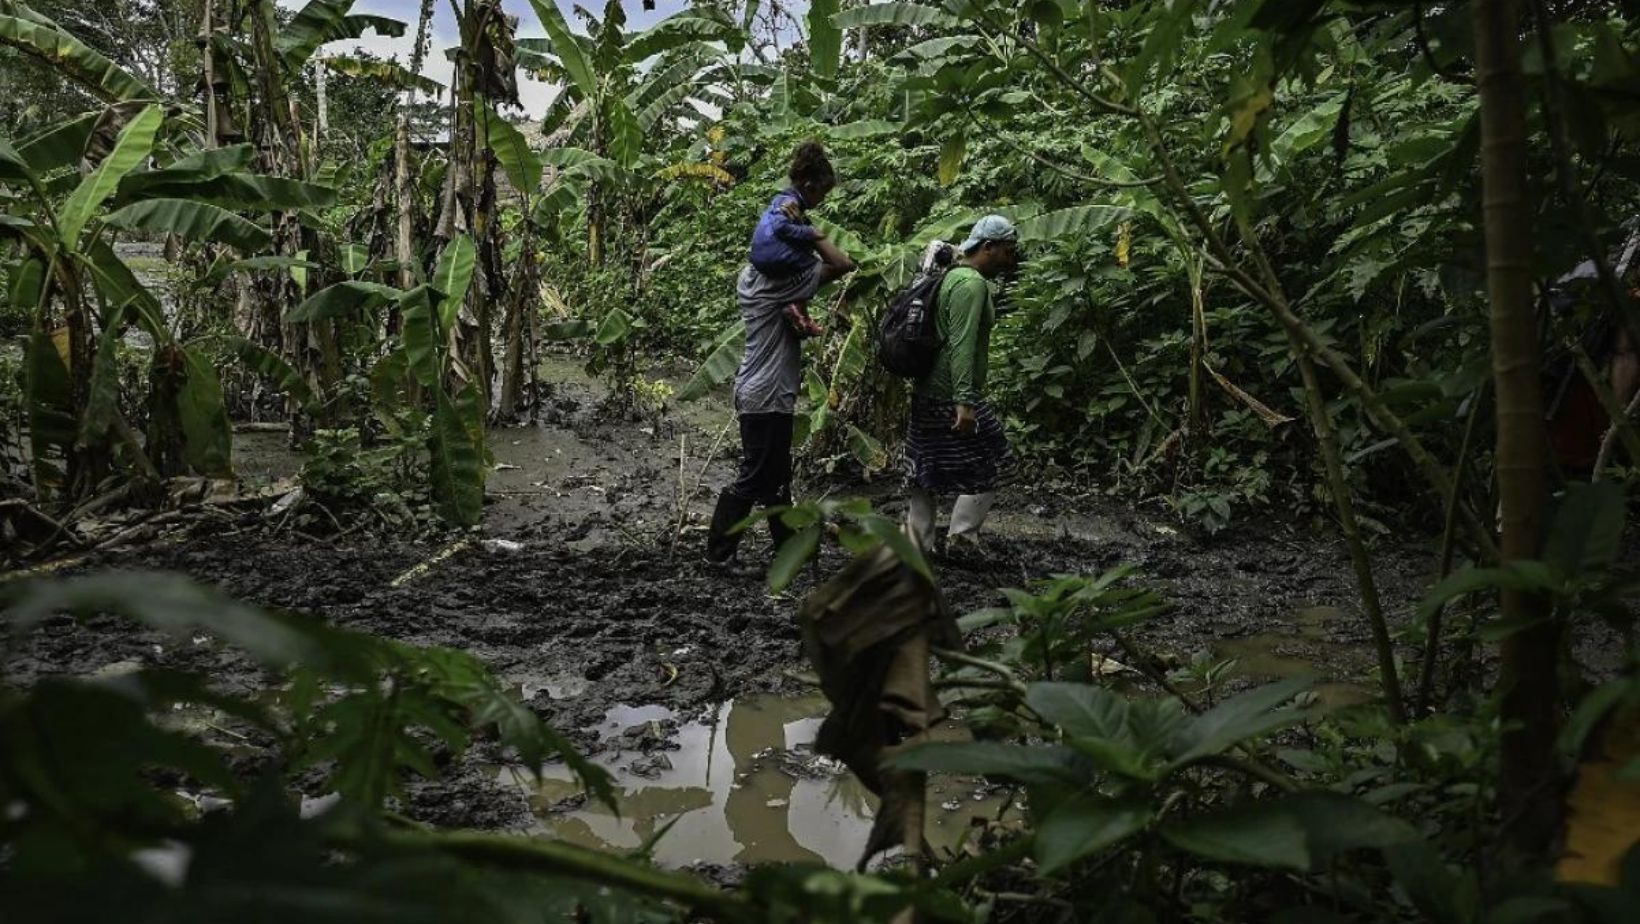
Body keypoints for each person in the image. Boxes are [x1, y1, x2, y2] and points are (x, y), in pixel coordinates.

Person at [707, 144, 856, 564]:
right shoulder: (778, 288)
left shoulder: (753, 278)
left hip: (766, 393)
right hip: (766, 395)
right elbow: (842, 265)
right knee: (756, 477)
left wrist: (796, 219)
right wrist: (814, 232)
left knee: (777, 479)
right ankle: (718, 552)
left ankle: (788, 552)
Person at [904, 214, 1019, 551]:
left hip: (927, 389)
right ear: (988, 247)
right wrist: (965, 402)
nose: (1012, 259)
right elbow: (962, 345)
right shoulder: (971, 285)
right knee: (997, 460)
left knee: (925, 469)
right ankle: (963, 538)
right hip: (949, 393)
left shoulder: (952, 277)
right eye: (1008, 251)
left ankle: (917, 542)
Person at [748, 141, 837, 339]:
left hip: (761, 256)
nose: (822, 199)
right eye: (822, 194)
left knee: (805, 254)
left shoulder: (784, 199)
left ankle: (799, 310)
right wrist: (811, 233)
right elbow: (780, 226)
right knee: (817, 265)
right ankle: (796, 309)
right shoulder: (790, 202)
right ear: (809, 186)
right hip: (771, 255)